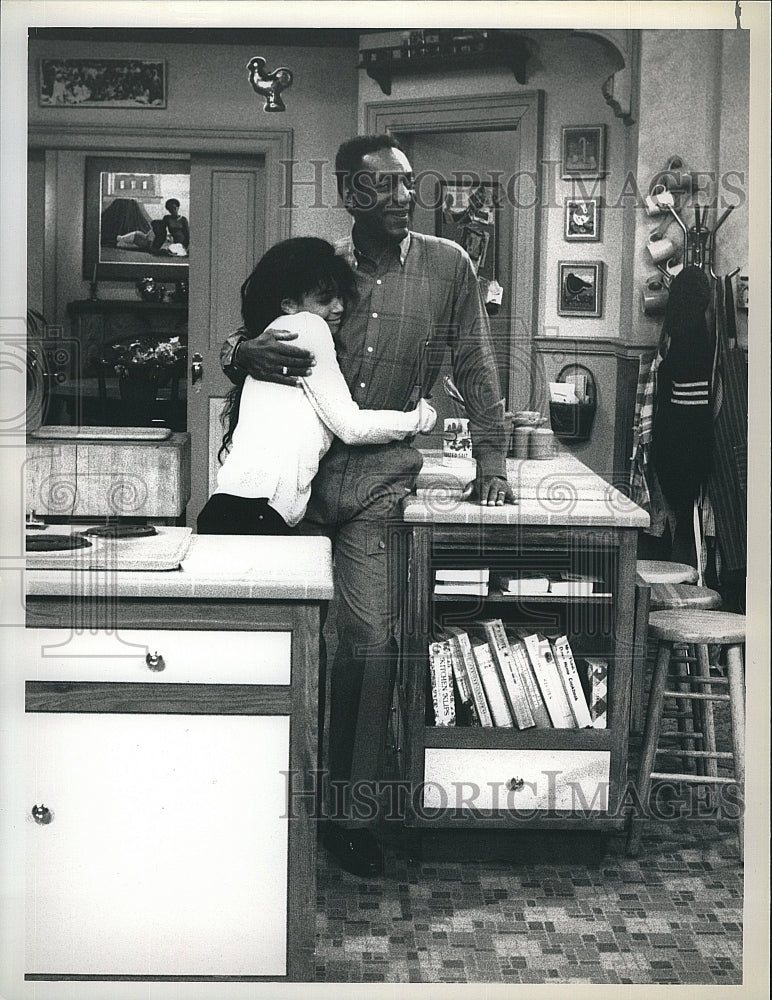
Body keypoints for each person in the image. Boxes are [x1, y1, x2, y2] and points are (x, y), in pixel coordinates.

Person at [220, 134, 515, 876]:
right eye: (382, 187)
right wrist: (235, 351)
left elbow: (476, 363)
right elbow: (258, 322)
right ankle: (249, 798)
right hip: (295, 481)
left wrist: (492, 460)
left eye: (407, 185)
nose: (401, 198)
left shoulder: (450, 265)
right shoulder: (320, 270)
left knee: (370, 641)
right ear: (350, 193)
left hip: (380, 481)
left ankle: (345, 815)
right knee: (276, 639)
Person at [198, 237, 436, 535]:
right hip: (259, 513)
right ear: (289, 305)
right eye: (325, 299)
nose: (338, 308)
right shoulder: (308, 326)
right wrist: (418, 418)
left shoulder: (276, 332)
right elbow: (351, 427)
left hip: (233, 508)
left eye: (341, 297)